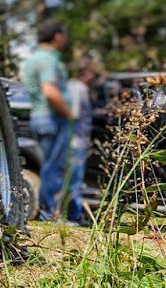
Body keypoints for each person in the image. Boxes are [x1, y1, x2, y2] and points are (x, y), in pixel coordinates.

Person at [21, 21, 73, 220]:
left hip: (40, 116)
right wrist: (69, 113)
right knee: (54, 166)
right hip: (53, 117)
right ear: (57, 36)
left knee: (48, 165)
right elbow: (50, 92)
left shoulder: (33, 58)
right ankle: (50, 212)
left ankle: (47, 210)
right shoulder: (47, 59)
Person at [63, 57, 104, 224]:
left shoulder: (73, 87)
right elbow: (73, 114)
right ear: (87, 75)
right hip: (75, 141)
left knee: (74, 179)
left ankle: (74, 213)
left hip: (76, 140)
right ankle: (74, 215)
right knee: (75, 179)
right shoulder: (77, 88)